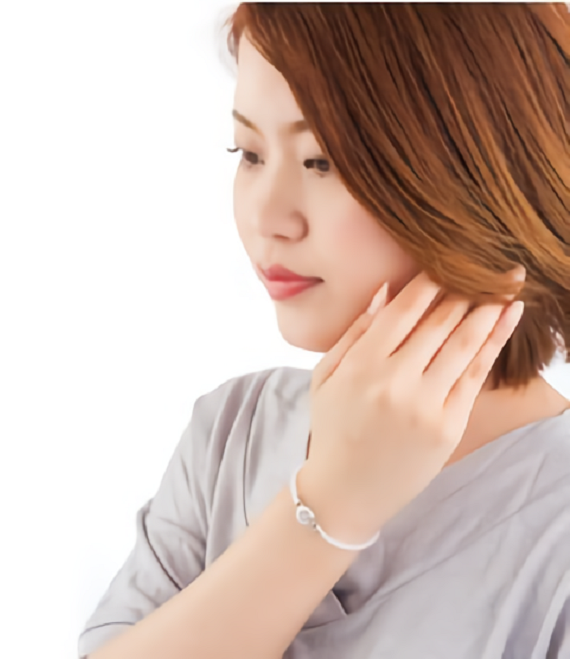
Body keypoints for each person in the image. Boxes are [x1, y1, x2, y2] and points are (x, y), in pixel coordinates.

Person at [78, 4, 570, 658]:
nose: (267, 217)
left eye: (322, 161)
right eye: (249, 153)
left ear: (480, 179)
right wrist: (331, 502)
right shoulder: (232, 433)